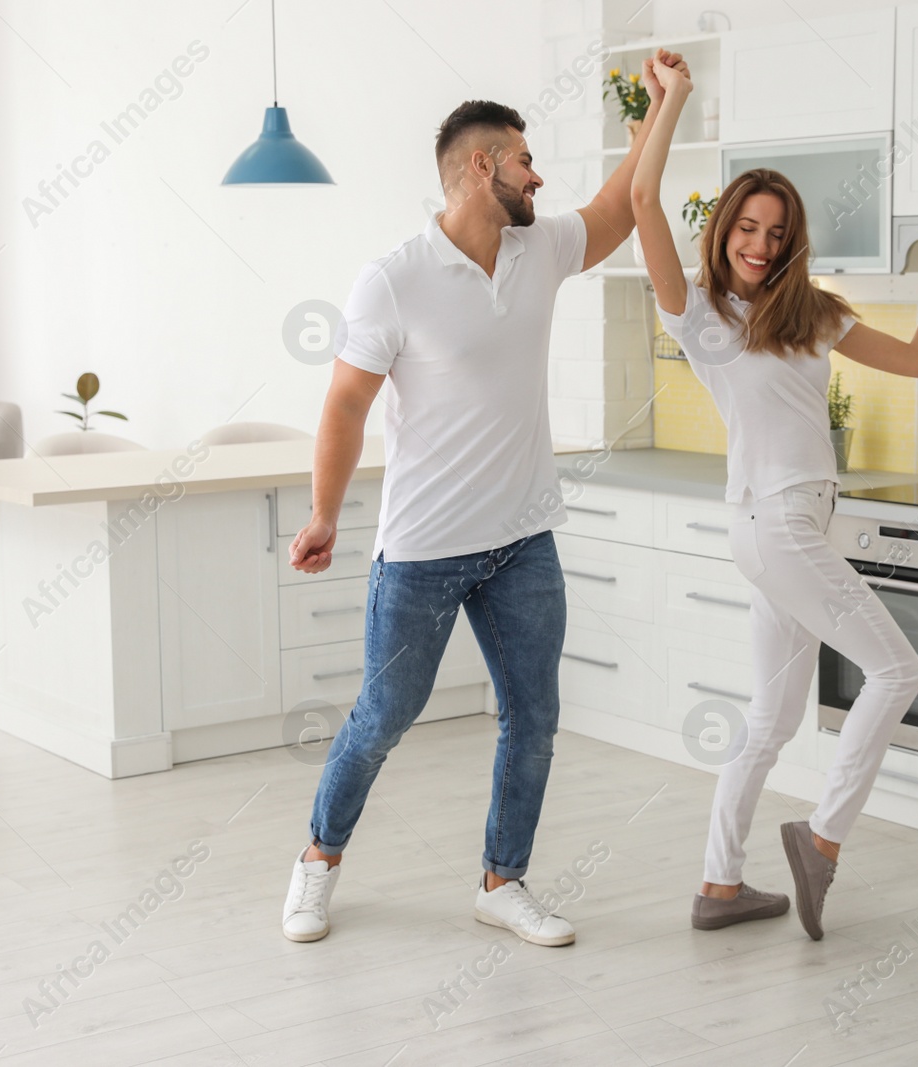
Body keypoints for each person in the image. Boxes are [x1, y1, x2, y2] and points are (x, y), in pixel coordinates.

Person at [280, 53, 689, 946]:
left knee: (534, 718)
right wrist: (324, 514)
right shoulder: (393, 279)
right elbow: (345, 404)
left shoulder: (538, 248)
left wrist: (666, 108)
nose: (538, 174)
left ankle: (503, 880)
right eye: (524, 160)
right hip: (423, 548)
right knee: (383, 717)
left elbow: (623, 207)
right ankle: (317, 861)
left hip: (523, 539)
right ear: (480, 166)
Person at [630, 56, 918, 939]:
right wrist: (673, 100)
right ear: (725, 233)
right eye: (747, 226)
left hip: (782, 526)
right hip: (776, 523)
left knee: (770, 721)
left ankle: (719, 884)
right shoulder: (704, 318)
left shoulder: (812, 313)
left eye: (776, 232)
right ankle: (821, 842)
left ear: (792, 242)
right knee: (900, 670)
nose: (760, 243)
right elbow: (642, 205)